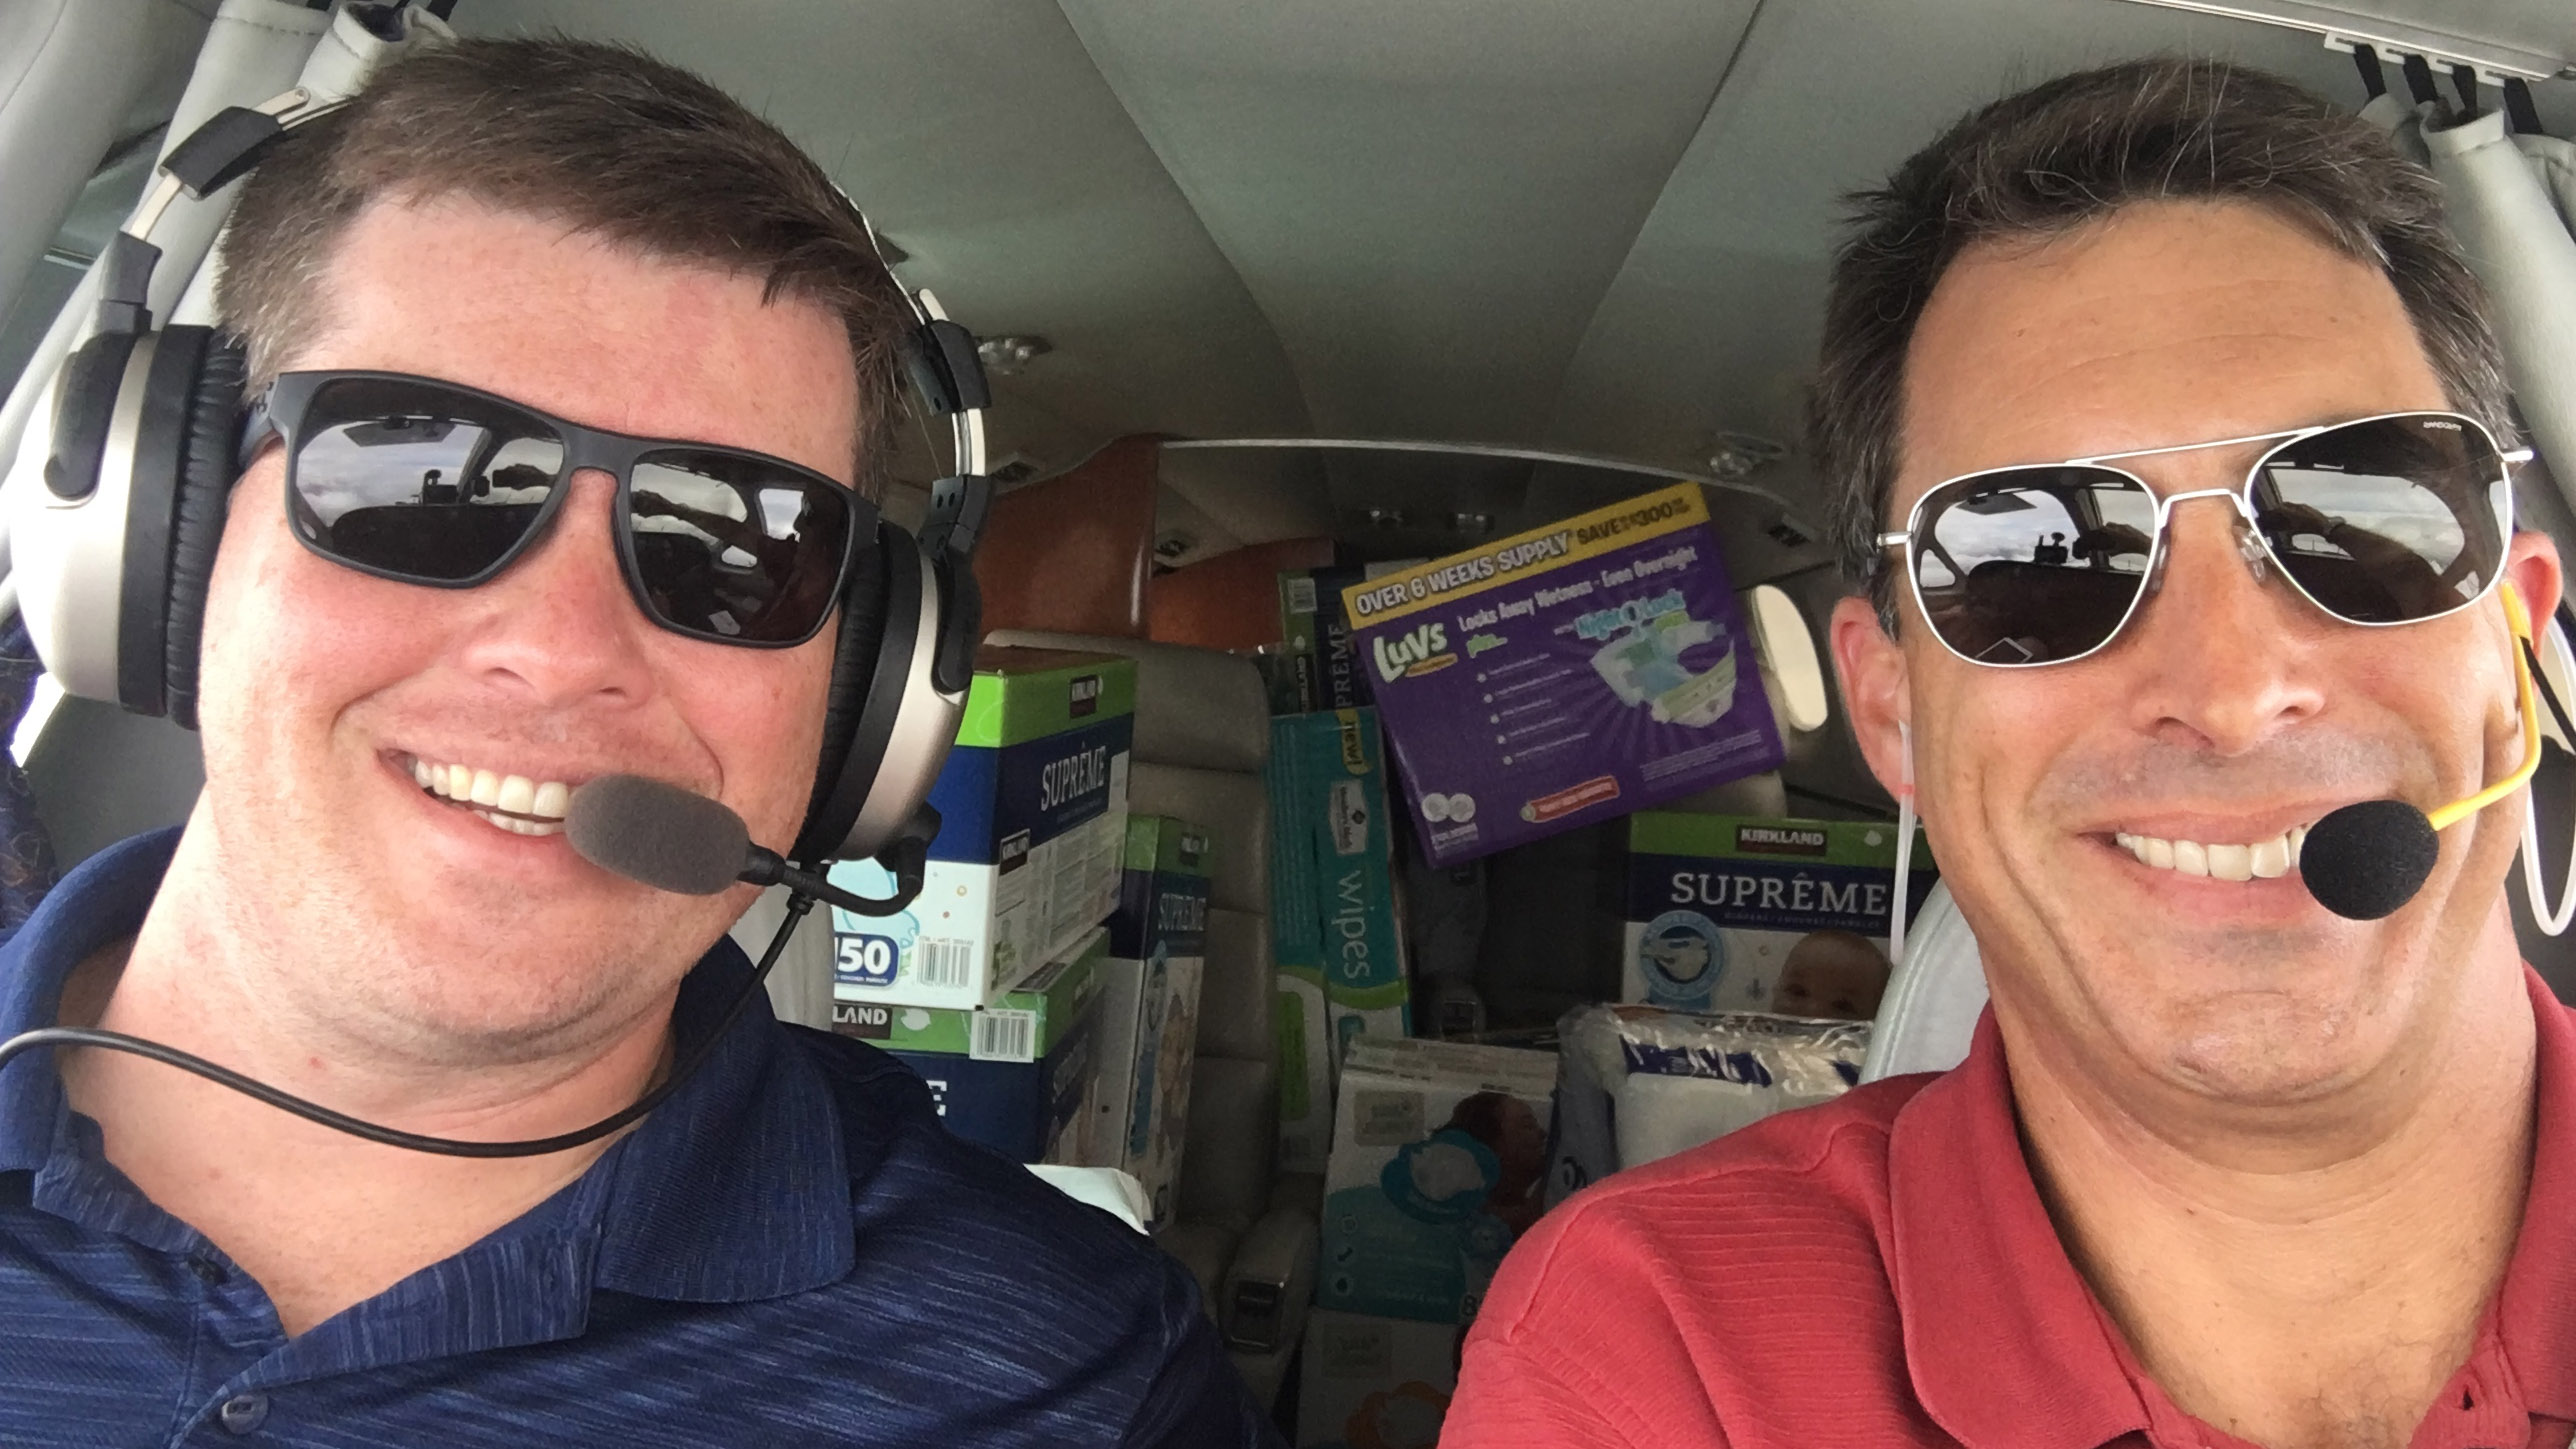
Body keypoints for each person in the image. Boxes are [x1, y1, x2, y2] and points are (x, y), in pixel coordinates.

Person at [0, 38, 1276, 1447]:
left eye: (732, 545)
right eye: (420, 477)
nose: (561, 647)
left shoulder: (1080, 1385)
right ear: (155, 536)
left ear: (869, 695)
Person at [1444, 58, 2574, 1449]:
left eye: (2357, 517)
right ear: (1894, 709)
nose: (2230, 689)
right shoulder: (1656, 1349)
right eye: (2038, 554)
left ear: (2516, 658)